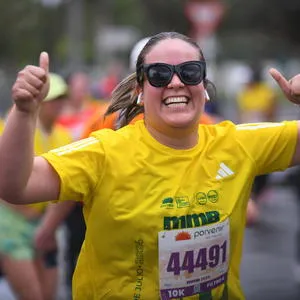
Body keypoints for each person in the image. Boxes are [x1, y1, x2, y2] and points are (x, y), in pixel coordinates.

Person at [0, 31, 300, 300]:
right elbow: (15, 186)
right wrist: (25, 112)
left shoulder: (236, 143)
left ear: (204, 86)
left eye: (190, 72)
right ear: (140, 91)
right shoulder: (105, 151)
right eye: (159, 74)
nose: (176, 82)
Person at [0, 73, 72, 300]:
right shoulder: (11, 127)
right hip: (12, 225)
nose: (59, 104)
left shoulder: (64, 135)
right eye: (54, 98)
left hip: (47, 224)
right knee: (32, 295)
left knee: (49, 294)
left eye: (63, 98)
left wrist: (49, 225)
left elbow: (71, 183)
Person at [236, 65, 278, 225]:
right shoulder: (244, 93)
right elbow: (241, 112)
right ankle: (251, 198)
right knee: (251, 169)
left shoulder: (267, 92)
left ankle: (256, 196)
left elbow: (272, 113)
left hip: (264, 133)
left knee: (263, 169)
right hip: (247, 134)